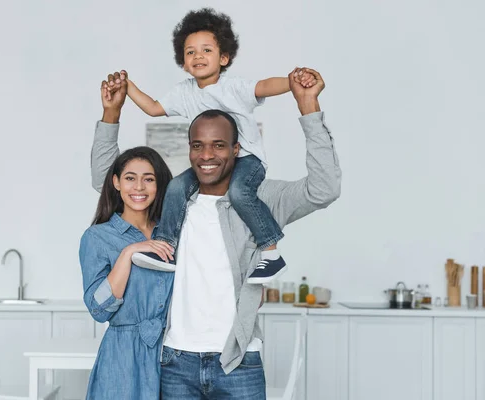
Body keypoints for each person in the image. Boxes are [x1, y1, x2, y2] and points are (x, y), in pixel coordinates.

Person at [93, 65, 341, 399]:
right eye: (198, 146)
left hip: (238, 361)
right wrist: (111, 113)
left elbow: (324, 189)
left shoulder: (263, 198)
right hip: (174, 361)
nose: (207, 155)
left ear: (237, 150)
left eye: (219, 145)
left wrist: (308, 107)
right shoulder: (170, 201)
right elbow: (105, 181)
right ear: (190, 149)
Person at [107, 8, 318, 284]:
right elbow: (154, 108)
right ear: (183, 62)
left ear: (224, 57)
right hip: (210, 166)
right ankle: (165, 248)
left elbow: (264, 86)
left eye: (207, 50)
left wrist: (293, 82)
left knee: (241, 193)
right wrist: (128, 86)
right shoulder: (184, 92)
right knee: (175, 188)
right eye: (191, 52)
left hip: (246, 159)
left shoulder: (233, 88)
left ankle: (271, 252)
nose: (198, 57)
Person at [78, 79, 176, 399]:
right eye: (130, 178)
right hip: (122, 359)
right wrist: (129, 252)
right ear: (116, 183)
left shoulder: (173, 231)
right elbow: (99, 309)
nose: (139, 187)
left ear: (159, 186)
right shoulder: (99, 237)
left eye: (149, 179)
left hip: (175, 356)